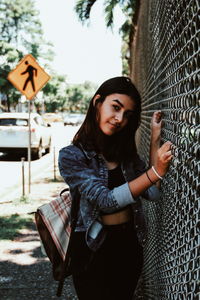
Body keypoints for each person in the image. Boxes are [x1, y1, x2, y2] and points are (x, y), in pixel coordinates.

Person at [58, 76, 172, 300]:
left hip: (129, 243)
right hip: (93, 248)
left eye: (127, 115)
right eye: (116, 107)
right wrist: (155, 172)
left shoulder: (125, 156)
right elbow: (105, 201)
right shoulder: (72, 156)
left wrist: (155, 141)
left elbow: (152, 192)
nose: (120, 119)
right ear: (98, 102)